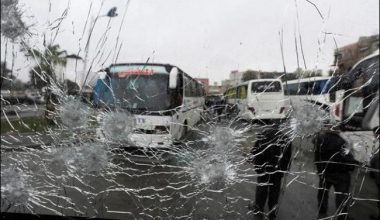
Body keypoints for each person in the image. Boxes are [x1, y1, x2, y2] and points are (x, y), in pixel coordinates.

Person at [248, 125, 292, 220]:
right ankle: (272, 213)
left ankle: (258, 208)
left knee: (261, 188)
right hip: (277, 171)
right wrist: (284, 170)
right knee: (274, 191)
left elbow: (255, 150)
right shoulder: (286, 138)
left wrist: (254, 162)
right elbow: (288, 157)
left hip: (263, 169)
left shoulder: (263, 135)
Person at [313, 130, 358, 220]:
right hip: (341, 174)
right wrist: (350, 168)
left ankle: (322, 212)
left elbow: (317, 156)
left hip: (325, 172)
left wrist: (320, 170)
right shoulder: (346, 140)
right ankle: (341, 216)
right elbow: (352, 158)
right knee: (341, 196)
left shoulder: (320, 138)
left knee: (323, 193)